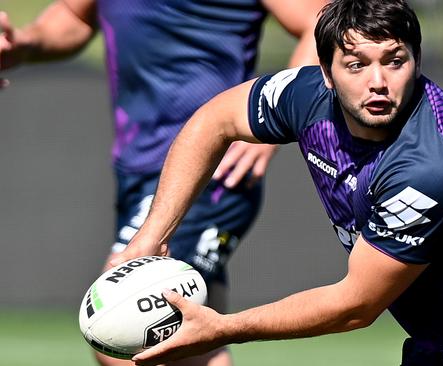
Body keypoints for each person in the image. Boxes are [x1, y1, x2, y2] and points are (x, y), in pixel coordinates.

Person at [110, 0, 443, 365]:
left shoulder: (431, 168)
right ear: (328, 72)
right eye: (356, 64)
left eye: (394, 60)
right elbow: (213, 121)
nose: (377, 81)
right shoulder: (306, 95)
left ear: (416, 61)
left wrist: (220, 330)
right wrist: (151, 234)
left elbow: (355, 306)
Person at [0, 0, 327, 365]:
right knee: (195, 342)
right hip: (136, 168)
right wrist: (22, 43)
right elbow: (73, 18)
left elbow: (322, 23)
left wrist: (272, 120)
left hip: (209, 171)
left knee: (120, 329)